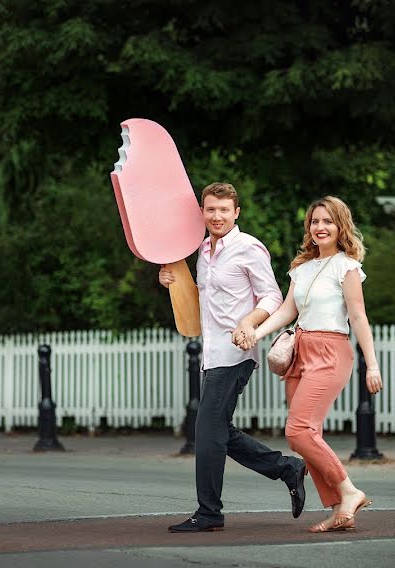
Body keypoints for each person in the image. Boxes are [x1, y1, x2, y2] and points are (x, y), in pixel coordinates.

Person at [159, 182, 307, 533]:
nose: (217, 215)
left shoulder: (248, 248)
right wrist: (171, 279)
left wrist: (250, 323)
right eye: (210, 209)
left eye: (224, 210)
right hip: (212, 354)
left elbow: (272, 297)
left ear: (236, 212)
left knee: (207, 430)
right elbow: (199, 299)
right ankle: (286, 468)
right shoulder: (201, 251)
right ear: (202, 212)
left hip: (236, 351)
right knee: (217, 430)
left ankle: (209, 513)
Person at [234, 195, 382, 533]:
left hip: (331, 352)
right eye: (315, 221)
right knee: (309, 433)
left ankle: (349, 491)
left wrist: (371, 365)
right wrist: (256, 333)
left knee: (297, 432)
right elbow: (287, 311)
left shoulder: (348, 267)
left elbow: (358, 317)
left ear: (340, 225)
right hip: (300, 351)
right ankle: (338, 508)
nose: (320, 227)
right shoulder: (301, 268)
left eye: (327, 221)